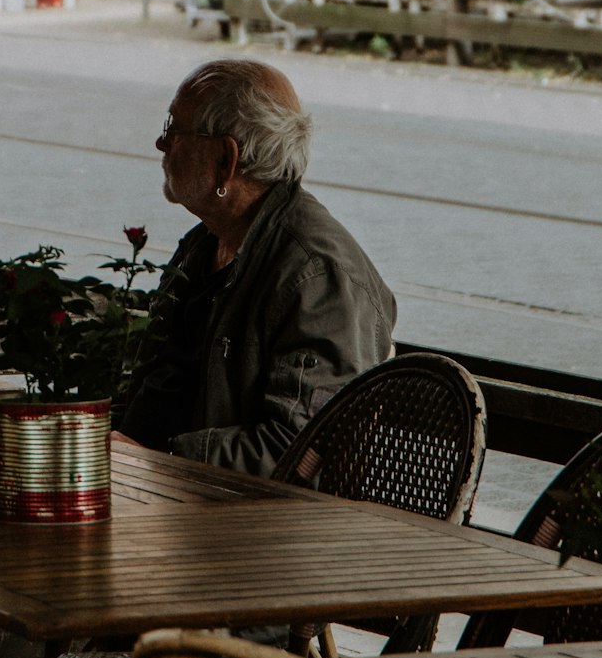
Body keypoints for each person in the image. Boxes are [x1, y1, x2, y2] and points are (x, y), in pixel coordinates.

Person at [116, 59, 396, 476]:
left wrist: (158, 461)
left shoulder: (317, 274)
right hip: (163, 495)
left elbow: (302, 447)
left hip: (250, 523)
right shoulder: (206, 243)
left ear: (226, 161)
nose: (162, 143)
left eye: (175, 128)